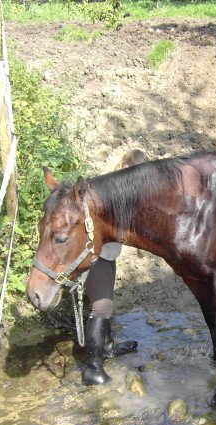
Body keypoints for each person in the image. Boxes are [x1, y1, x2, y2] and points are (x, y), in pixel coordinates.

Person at [81, 149, 148, 385]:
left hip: (107, 256)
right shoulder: (108, 190)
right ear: (124, 167)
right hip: (94, 255)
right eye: (136, 171)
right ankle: (92, 368)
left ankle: (107, 346)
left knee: (107, 299)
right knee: (101, 307)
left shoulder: (123, 190)